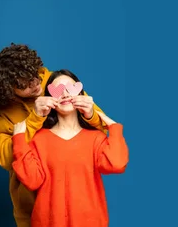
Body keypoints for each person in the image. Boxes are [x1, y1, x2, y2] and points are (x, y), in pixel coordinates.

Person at [0, 43, 107, 227]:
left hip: (76, 197)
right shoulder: (1, 109)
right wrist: (35, 118)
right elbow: (5, 158)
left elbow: (102, 128)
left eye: (34, 76)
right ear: (8, 91)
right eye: (22, 85)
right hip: (32, 204)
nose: (34, 84)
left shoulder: (58, 82)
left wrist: (90, 114)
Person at [12, 69, 129, 227]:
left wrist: (113, 126)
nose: (65, 94)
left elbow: (116, 164)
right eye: (57, 90)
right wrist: (19, 140)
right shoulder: (38, 140)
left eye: (71, 88)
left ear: (81, 94)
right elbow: (32, 181)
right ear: (49, 99)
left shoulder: (95, 138)